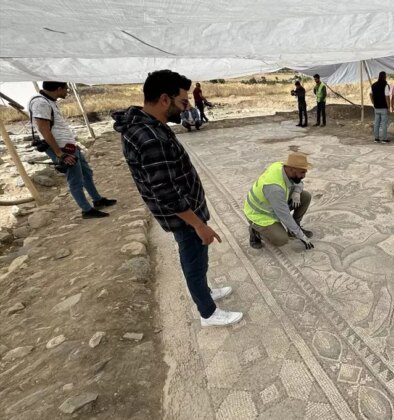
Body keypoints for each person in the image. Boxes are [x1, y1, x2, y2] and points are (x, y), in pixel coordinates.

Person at [113, 70, 242, 327]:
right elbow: (167, 193)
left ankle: (204, 291)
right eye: (183, 101)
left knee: (197, 256)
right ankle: (208, 313)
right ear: (164, 99)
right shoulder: (150, 138)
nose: (187, 107)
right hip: (184, 216)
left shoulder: (147, 126)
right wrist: (198, 224)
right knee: (193, 260)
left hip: (186, 210)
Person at [29, 81, 116, 219]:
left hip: (68, 146)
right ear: (58, 89)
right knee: (75, 179)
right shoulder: (41, 103)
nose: (67, 91)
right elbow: (43, 129)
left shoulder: (48, 101)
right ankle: (86, 210)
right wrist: (59, 154)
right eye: (66, 89)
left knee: (86, 172)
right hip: (61, 148)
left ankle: (97, 200)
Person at [243, 152, 314, 251]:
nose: (304, 175)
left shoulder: (281, 166)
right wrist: (301, 235)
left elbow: (299, 182)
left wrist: (296, 192)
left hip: (273, 202)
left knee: (305, 196)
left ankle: (295, 227)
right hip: (259, 213)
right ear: (291, 169)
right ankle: (255, 231)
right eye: (302, 172)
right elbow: (284, 215)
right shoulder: (274, 188)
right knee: (281, 239)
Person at [370, 71, 391, 144]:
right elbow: (387, 97)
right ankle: (384, 139)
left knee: (376, 123)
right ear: (385, 77)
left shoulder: (373, 85)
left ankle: (376, 138)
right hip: (383, 108)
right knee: (384, 124)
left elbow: (370, 94)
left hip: (376, 108)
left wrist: (373, 102)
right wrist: (389, 107)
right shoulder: (385, 85)